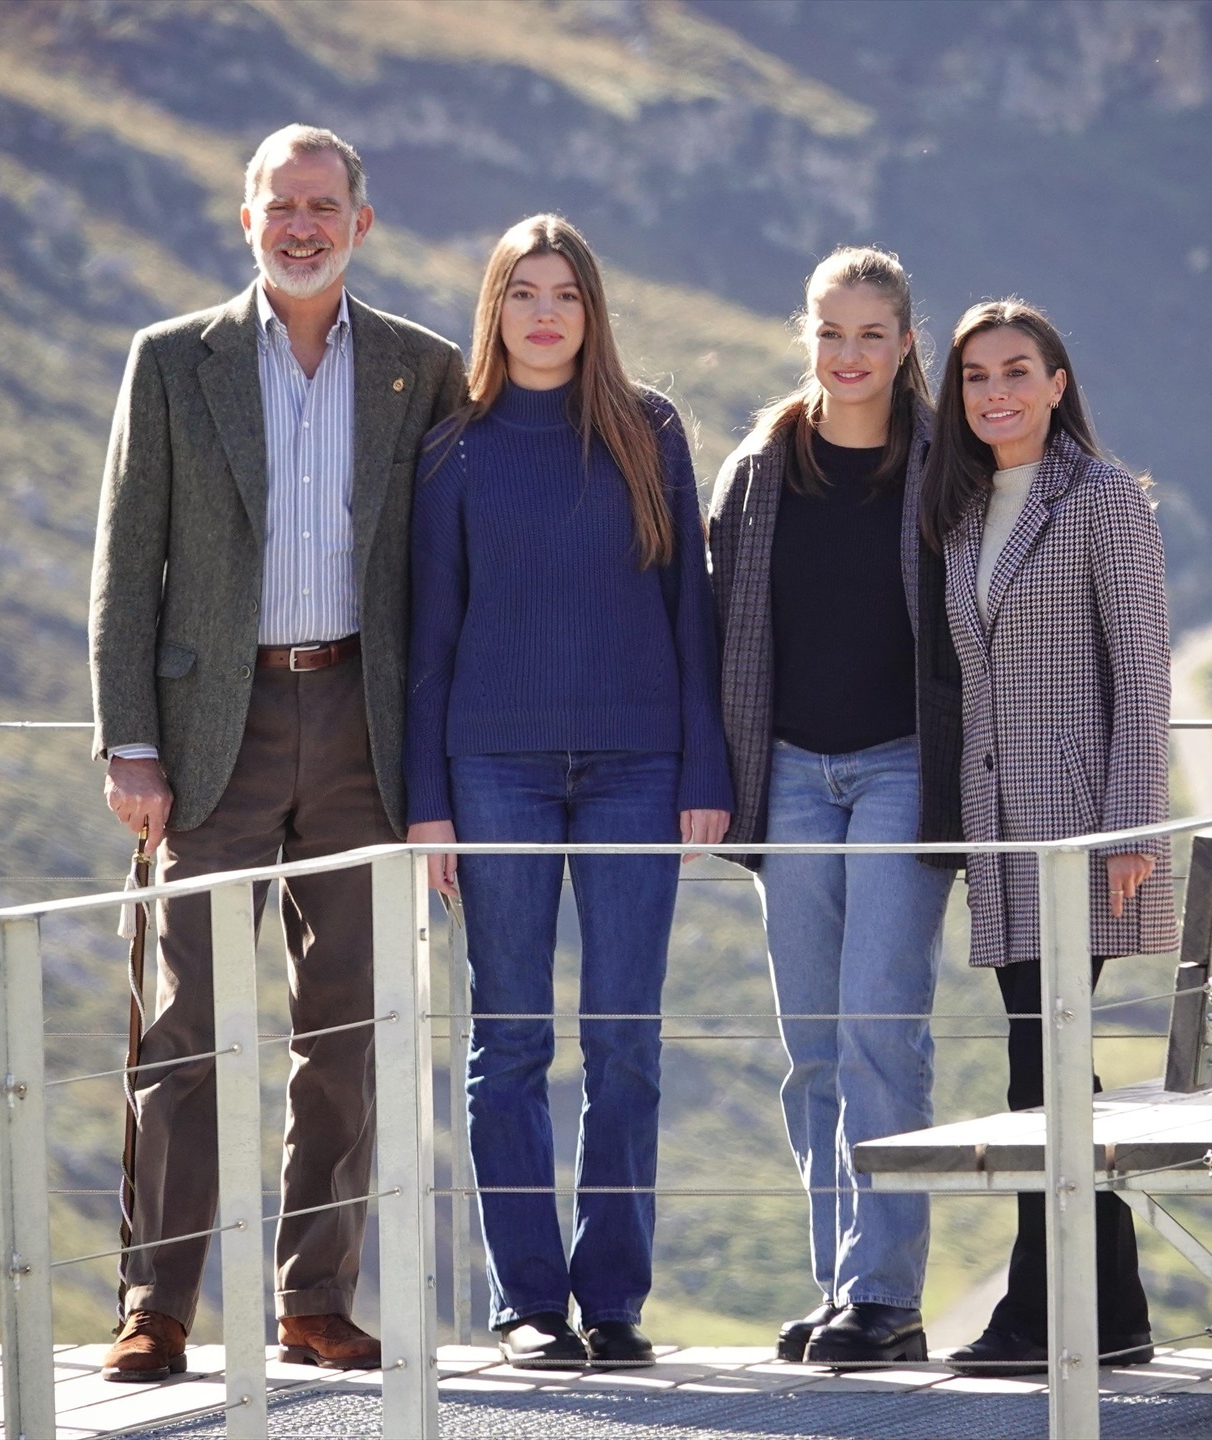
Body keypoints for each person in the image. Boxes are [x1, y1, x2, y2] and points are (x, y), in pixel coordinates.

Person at [89, 124, 465, 1381]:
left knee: (345, 1027)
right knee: (184, 1024)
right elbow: (123, 566)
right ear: (244, 220)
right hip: (209, 737)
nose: (302, 225)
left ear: (363, 224)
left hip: (363, 725)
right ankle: (158, 1309)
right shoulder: (171, 362)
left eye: (324, 205)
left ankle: (316, 1300)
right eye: (280, 205)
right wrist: (130, 745)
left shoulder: (423, 370)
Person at [404, 214, 733, 1370]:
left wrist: (705, 764)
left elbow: (690, 610)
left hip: (640, 769)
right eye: (522, 293)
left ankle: (616, 1299)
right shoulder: (453, 452)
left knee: (626, 1037)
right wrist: (426, 802)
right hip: (490, 770)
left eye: (566, 295)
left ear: (594, 313)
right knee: (508, 1040)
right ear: (492, 309)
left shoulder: (650, 433)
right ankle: (530, 1303)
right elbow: (429, 638)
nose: (545, 314)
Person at [707, 247, 961, 1368]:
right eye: (830, 331)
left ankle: (886, 1296)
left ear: (909, 342)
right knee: (811, 1044)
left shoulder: (945, 466)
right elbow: (715, 638)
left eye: (873, 334)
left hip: (906, 767)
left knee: (880, 1028)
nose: (849, 354)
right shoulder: (759, 471)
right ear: (803, 334)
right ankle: (838, 1286)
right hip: (793, 775)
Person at [919, 298, 1175, 1376]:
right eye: (976, 377)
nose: (997, 393)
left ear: (1058, 382)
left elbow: (1144, 678)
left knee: (1043, 1070)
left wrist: (1126, 840)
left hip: (1081, 835)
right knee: (1049, 1070)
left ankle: (1042, 1315)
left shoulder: (1105, 500)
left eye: (1018, 371)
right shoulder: (968, 511)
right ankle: (1111, 1313)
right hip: (1001, 832)